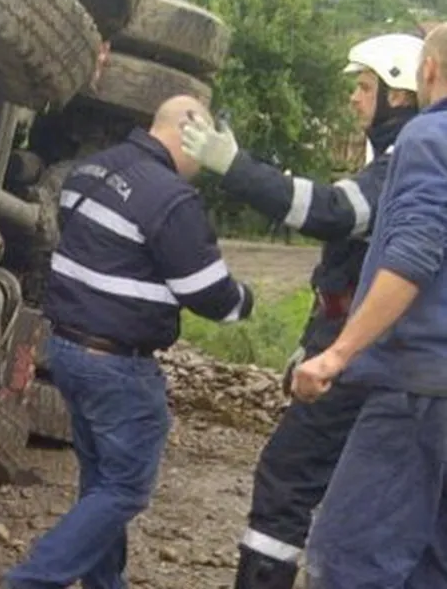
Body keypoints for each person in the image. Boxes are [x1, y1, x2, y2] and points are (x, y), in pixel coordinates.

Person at [179, 32, 425, 589]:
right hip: (369, 350)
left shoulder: (405, 162)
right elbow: (346, 270)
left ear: (401, 94)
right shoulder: (399, 157)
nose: (354, 99)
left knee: (287, 482)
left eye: (366, 87)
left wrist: (235, 167)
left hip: (366, 359)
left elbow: (332, 212)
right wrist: (311, 342)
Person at [3, 95, 256, 589]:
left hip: (69, 351)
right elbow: (211, 296)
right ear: (188, 134)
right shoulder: (169, 198)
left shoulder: (90, 171)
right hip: (118, 364)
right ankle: (32, 580)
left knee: (100, 482)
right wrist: (244, 300)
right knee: (125, 488)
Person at [289, 24, 447, 588]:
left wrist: (337, 354)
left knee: (353, 557)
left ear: (426, 72)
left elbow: (412, 255)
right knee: (430, 564)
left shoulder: (429, 139)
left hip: (416, 386)